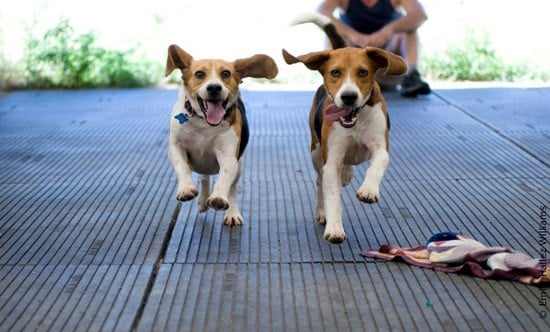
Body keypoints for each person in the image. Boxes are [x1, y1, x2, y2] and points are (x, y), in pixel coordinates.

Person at [318, 0, 431, 97]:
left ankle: (412, 76)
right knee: (331, 34)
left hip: (387, 69)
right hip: (354, 71)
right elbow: (320, 13)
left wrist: (388, 30)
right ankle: (333, 80)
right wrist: (354, 36)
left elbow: (420, 14)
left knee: (410, 30)